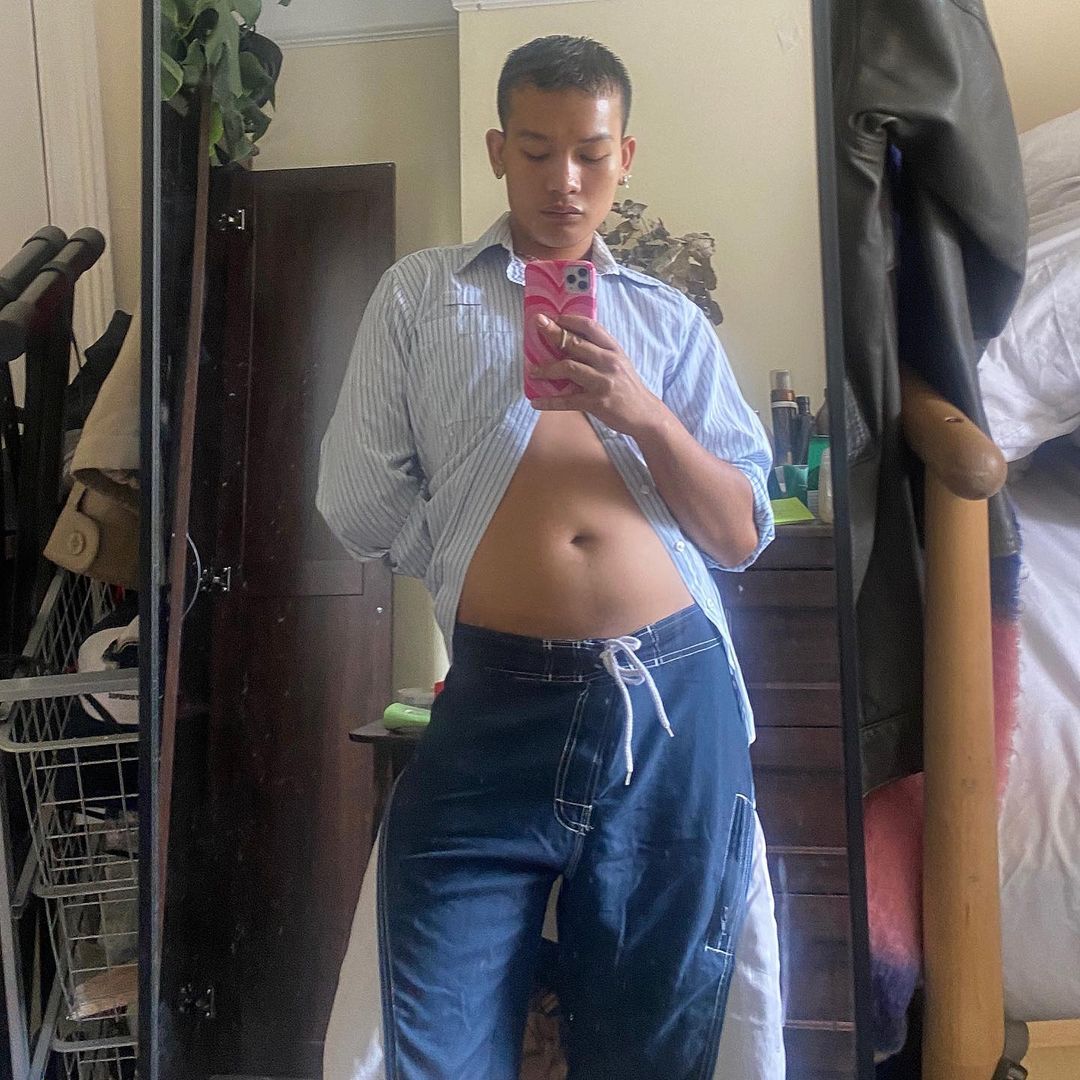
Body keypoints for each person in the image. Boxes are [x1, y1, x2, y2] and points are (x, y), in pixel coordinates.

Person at [317, 34, 785, 1080]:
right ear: (497, 151)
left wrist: (640, 410)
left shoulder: (667, 320)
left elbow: (741, 534)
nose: (563, 180)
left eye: (589, 152)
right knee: (432, 1030)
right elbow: (354, 499)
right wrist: (470, 556)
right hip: (497, 694)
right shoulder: (420, 295)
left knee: (653, 1038)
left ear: (625, 158)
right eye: (535, 151)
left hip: (670, 700)